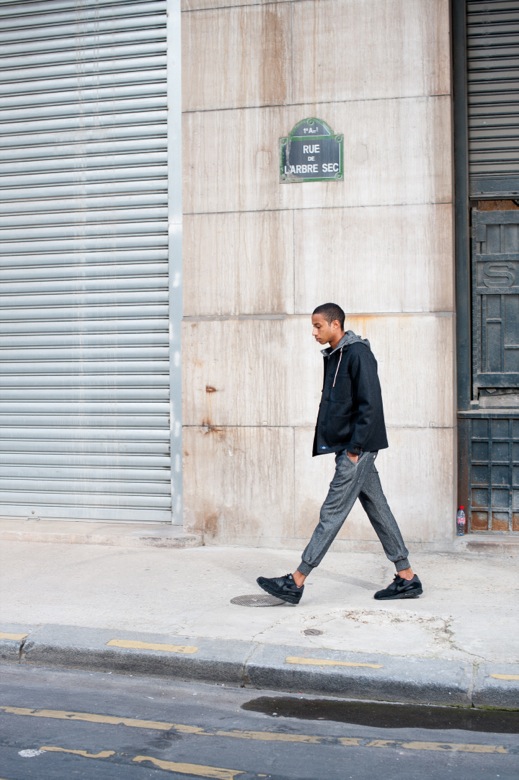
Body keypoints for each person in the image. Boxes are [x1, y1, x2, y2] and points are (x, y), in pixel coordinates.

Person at [257, 302, 422, 605]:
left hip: (356, 450)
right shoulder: (335, 355)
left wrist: (355, 450)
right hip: (350, 448)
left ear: (336, 324)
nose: (314, 332)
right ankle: (407, 576)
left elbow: (370, 403)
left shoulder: (357, 353)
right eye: (313, 326)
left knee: (331, 513)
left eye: (318, 326)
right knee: (378, 509)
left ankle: (297, 580)